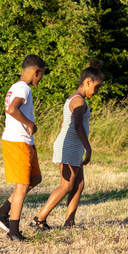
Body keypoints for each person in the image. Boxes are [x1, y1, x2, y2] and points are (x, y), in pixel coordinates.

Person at [32, 60, 103, 230]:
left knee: (78, 185)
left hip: (73, 145)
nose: (97, 91)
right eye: (96, 87)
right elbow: (77, 125)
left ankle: (69, 223)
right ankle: (39, 219)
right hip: (70, 145)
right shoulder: (78, 101)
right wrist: (88, 148)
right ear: (87, 82)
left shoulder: (76, 99)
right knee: (67, 185)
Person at [0, 55, 46, 241]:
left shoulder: (17, 87)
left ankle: (2, 212)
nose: (41, 79)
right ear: (36, 71)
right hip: (17, 142)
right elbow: (12, 109)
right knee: (21, 188)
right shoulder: (23, 88)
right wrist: (30, 124)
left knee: (35, 179)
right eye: (41, 75)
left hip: (25, 142)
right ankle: (13, 232)